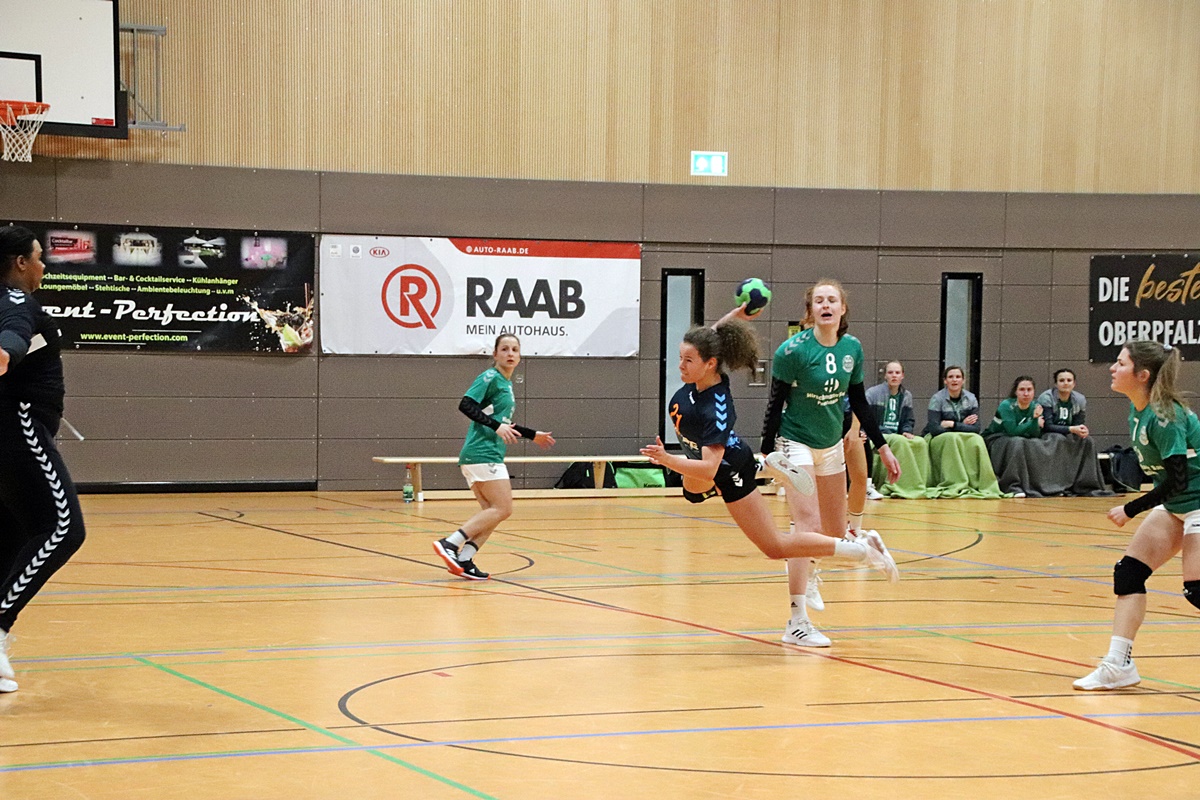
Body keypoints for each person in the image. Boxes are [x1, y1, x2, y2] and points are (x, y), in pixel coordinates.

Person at [640, 306, 898, 639]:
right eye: (680, 358)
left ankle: (860, 551)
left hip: (728, 472)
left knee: (775, 546)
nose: (680, 365)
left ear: (709, 364)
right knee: (691, 494)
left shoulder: (715, 406)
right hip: (722, 463)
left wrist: (666, 459)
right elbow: (713, 336)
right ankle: (764, 466)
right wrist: (738, 313)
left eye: (687, 360)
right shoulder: (702, 372)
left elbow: (709, 467)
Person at [760, 280, 901, 646]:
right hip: (795, 442)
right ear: (810, 311)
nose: (826, 305)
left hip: (830, 444)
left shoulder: (852, 348)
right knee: (806, 523)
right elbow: (774, 405)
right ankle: (796, 620)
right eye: (819, 300)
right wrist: (766, 453)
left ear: (842, 309)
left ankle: (833, 560)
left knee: (835, 532)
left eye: (832, 300)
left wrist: (883, 447)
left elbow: (859, 402)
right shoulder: (792, 351)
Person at [1074, 341, 1200, 691]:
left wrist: (1130, 508)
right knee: (1129, 574)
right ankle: (1119, 665)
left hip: (1196, 500)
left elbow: (1177, 479)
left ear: (1142, 375)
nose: (1113, 368)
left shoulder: (1165, 417)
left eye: (1120, 363)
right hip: (1179, 505)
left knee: (1197, 590)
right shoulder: (1138, 410)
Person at [0, 225, 88, 694]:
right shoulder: (15, 303)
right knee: (62, 529)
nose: (43, 265)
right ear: (19, 262)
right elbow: (12, 340)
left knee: (12, 538)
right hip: (20, 431)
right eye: (38, 257)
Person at [432, 334, 555, 580]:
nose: (510, 353)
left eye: (515, 350)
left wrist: (532, 435)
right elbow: (466, 404)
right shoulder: (490, 377)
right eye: (505, 349)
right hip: (482, 452)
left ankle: (465, 559)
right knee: (503, 508)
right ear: (495, 354)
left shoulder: (506, 384)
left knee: (492, 513)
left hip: (485, 454)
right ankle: (450, 543)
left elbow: (504, 423)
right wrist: (496, 427)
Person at [987, 374, 1109, 498]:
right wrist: (1034, 421)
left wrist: (1035, 422)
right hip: (997, 437)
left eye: (1029, 390)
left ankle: (1043, 484)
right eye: (1022, 390)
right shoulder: (1007, 405)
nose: (1026, 393)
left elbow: (1036, 434)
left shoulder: (1036, 406)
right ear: (1016, 391)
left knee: (1032, 444)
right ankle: (1013, 485)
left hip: (1022, 437)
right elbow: (1012, 431)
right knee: (1017, 442)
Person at [923, 366, 1006, 499]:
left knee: (977, 439)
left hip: (956, 433)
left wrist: (952, 424)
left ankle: (980, 483)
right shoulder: (937, 399)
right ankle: (954, 482)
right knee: (951, 438)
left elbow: (976, 429)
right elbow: (934, 429)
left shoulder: (971, 398)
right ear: (945, 381)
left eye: (958, 377)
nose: (954, 380)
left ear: (963, 380)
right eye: (950, 377)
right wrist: (962, 424)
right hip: (937, 438)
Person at [865, 361, 930, 499]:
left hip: (897, 434)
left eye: (897, 372)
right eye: (890, 372)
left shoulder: (906, 396)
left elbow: (908, 420)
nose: (894, 375)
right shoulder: (872, 393)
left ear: (902, 376)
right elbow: (867, 421)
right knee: (899, 441)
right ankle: (895, 485)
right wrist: (889, 432)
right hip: (878, 435)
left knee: (921, 443)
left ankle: (917, 485)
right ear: (885, 376)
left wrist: (907, 430)